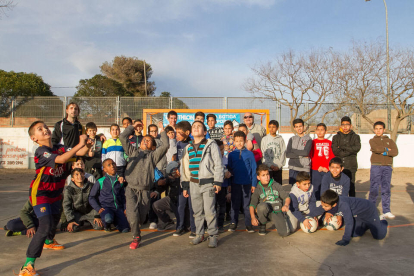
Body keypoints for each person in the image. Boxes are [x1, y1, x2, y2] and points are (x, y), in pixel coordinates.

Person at [17, 121, 92, 276]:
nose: (44, 129)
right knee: (44, 225)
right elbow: (62, 160)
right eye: (39, 129)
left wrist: (88, 144)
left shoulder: (60, 147)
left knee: (55, 219)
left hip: (56, 192)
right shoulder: (41, 151)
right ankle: (27, 265)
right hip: (41, 193)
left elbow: (80, 152)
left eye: (45, 127)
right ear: (34, 138)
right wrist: (80, 143)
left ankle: (49, 241)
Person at [119, 120, 169, 249]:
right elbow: (122, 137)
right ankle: (136, 237)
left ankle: (137, 227)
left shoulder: (152, 156)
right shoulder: (133, 152)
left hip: (145, 190)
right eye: (143, 140)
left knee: (141, 218)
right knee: (133, 216)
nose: (144, 142)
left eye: (148, 141)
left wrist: (162, 131)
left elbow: (165, 146)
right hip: (130, 189)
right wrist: (132, 127)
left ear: (153, 147)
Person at [180, 121, 223, 248]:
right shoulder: (187, 148)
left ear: (205, 132)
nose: (196, 128)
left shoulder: (211, 144)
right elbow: (184, 168)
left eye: (199, 126)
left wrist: (218, 181)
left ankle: (213, 235)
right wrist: (185, 185)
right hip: (193, 184)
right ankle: (199, 234)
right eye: (194, 127)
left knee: (209, 211)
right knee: (197, 211)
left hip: (208, 183)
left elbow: (218, 163)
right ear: (191, 132)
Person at [321, 190, 388, 246]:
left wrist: (345, 240)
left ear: (334, 204)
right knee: (354, 234)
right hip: (358, 215)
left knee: (379, 236)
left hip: (369, 211)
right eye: (322, 205)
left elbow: (349, 222)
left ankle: (382, 220)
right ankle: (367, 225)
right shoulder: (334, 201)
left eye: (325, 206)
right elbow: (321, 209)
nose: (323, 207)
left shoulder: (343, 204)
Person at [227, 131, 257, 233]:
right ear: (234, 142)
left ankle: (248, 224)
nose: (239, 143)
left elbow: (254, 169)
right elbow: (229, 170)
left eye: (241, 141)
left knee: (246, 204)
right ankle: (233, 223)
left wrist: (254, 184)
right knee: (235, 204)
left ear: (244, 141)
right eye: (237, 141)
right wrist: (229, 185)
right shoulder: (231, 155)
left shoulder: (250, 154)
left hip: (247, 183)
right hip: (235, 183)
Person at [88, 159, 129, 233]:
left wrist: (125, 208)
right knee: (108, 218)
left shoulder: (120, 180)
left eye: (113, 164)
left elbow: (123, 196)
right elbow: (91, 197)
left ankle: (117, 222)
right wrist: (98, 208)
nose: (112, 166)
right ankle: (107, 225)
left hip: (118, 208)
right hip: (106, 208)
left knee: (125, 229)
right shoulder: (100, 181)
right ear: (105, 169)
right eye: (109, 165)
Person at [249, 164, 290, 236]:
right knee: (261, 207)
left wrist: (286, 205)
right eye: (263, 175)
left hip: (277, 211)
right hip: (265, 211)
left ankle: (281, 221)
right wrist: (253, 217)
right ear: (258, 177)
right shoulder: (257, 189)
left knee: (285, 233)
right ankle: (262, 224)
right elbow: (252, 205)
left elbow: (286, 197)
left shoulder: (276, 185)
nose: (266, 177)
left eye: (267, 174)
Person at [368, 121, 398, 219]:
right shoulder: (372, 140)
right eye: (376, 128)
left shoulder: (390, 141)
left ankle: (386, 210)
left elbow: (395, 151)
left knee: (386, 189)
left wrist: (385, 153)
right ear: (374, 130)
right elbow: (375, 149)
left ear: (384, 130)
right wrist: (387, 149)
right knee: (374, 188)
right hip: (376, 166)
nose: (378, 130)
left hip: (387, 166)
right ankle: (371, 209)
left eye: (380, 128)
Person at [174, 121, 197, 237]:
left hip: (191, 180)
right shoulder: (178, 144)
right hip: (181, 179)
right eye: (176, 132)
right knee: (181, 205)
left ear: (187, 133)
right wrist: (177, 169)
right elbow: (179, 161)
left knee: (192, 205)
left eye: (179, 132)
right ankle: (180, 226)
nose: (176, 134)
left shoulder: (192, 145)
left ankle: (193, 229)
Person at [62, 168, 103, 232]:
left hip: (90, 211)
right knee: (73, 229)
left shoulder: (91, 186)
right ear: (72, 179)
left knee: (99, 226)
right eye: (76, 174)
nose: (80, 176)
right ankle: (79, 222)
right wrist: (70, 220)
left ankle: (89, 220)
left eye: (81, 174)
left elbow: (97, 200)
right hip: (77, 213)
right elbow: (66, 206)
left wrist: (97, 215)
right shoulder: (69, 189)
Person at [332, 116, 361, 197]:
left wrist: (343, 148)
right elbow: (335, 151)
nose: (345, 126)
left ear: (350, 126)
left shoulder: (355, 137)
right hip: (339, 166)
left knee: (351, 186)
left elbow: (357, 148)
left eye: (347, 124)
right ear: (340, 126)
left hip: (351, 165)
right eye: (343, 124)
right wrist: (349, 150)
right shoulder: (336, 137)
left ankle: (352, 204)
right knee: (338, 187)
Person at [152, 161, 181, 230]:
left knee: (186, 226)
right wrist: (158, 185)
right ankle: (167, 222)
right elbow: (163, 186)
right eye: (169, 175)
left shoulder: (184, 177)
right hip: (172, 200)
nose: (170, 176)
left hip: (182, 201)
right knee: (156, 205)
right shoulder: (168, 177)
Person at [310, 123, 335, 199]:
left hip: (327, 170)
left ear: (325, 131)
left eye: (322, 130)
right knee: (316, 188)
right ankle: (317, 205)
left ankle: (326, 203)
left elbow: (332, 156)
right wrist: (318, 167)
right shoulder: (312, 142)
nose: (320, 132)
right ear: (316, 131)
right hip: (316, 169)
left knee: (326, 188)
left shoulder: (329, 143)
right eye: (318, 130)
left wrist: (328, 167)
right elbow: (311, 156)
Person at [285, 118, 312, 185]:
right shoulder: (292, 139)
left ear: (303, 127)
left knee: (305, 189)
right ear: (294, 128)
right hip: (293, 167)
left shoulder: (308, 139)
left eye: (300, 126)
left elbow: (306, 152)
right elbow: (288, 154)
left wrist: (293, 150)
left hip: (304, 168)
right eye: (296, 127)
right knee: (293, 188)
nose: (299, 128)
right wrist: (301, 155)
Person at [261, 120, 286, 185]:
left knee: (278, 186)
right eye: (270, 127)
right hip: (268, 168)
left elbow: (283, 152)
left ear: (277, 128)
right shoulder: (265, 139)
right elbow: (263, 153)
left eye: (273, 127)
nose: (271, 129)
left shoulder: (280, 139)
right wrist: (270, 165)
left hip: (278, 168)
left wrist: (279, 165)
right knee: (268, 186)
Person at [216, 140, 231, 232]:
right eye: (219, 150)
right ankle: (212, 224)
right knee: (213, 206)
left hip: (223, 186)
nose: (221, 152)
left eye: (222, 150)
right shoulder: (211, 160)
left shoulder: (225, 159)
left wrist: (229, 183)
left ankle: (220, 224)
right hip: (214, 187)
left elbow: (229, 171)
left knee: (222, 205)